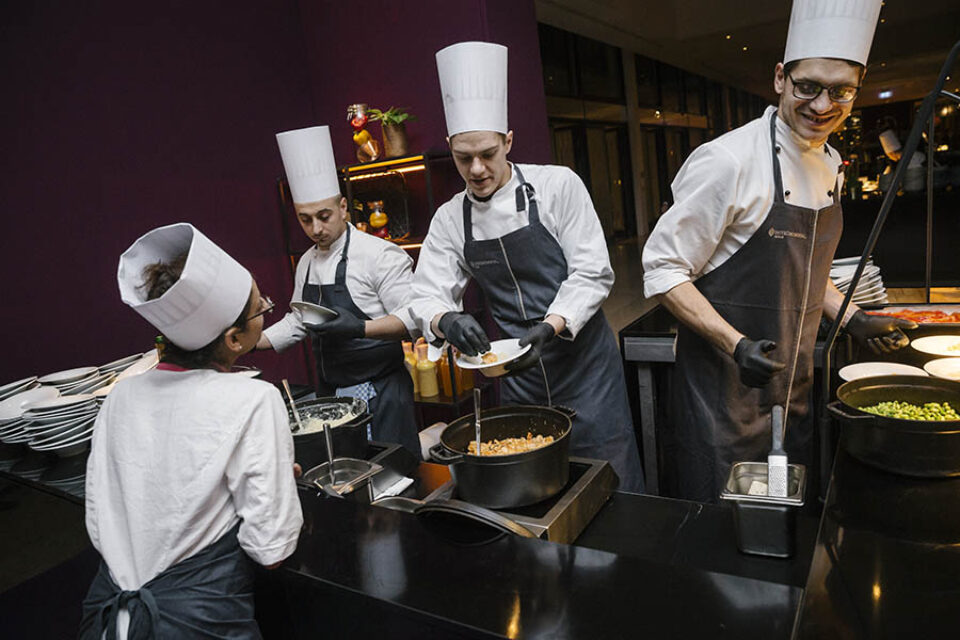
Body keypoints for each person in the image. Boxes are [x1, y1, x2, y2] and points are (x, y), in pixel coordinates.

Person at [641, 0, 917, 503]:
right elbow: (662, 269)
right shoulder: (727, 161)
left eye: (840, 91)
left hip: (794, 396)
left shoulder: (832, 161)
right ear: (779, 79)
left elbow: (804, 269)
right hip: (722, 400)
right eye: (807, 86)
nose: (821, 105)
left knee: (789, 537)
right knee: (724, 537)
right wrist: (734, 343)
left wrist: (852, 317)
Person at [410, 41, 644, 492]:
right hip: (516, 377)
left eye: (488, 154)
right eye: (464, 158)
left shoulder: (557, 186)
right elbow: (425, 293)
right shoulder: (449, 218)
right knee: (534, 482)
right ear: (450, 150)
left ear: (508, 142)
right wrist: (446, 320)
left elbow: (593, 270)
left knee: (609, 476)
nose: (477, 169)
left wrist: (551, 326)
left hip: (585, 367)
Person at [82, 223, 303, 638]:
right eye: (261, 308)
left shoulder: (120, 396)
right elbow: (271, 548)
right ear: (235, 339)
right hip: (198, 625)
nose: (266, 310)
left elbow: (102, 521)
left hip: (108, 621)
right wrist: (271, 491)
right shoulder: (254, 400)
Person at [258, 125, 420, 457]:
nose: (315, 229)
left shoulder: (379, 255)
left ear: (344, 208)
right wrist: (248, 342)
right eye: (305, 219)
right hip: (332, 395)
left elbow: (413, 320)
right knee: (347, 478)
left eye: (324, 216)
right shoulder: (305, 262)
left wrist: (360, 327)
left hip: (383, 391)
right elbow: (298, 320)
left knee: (393, 476)